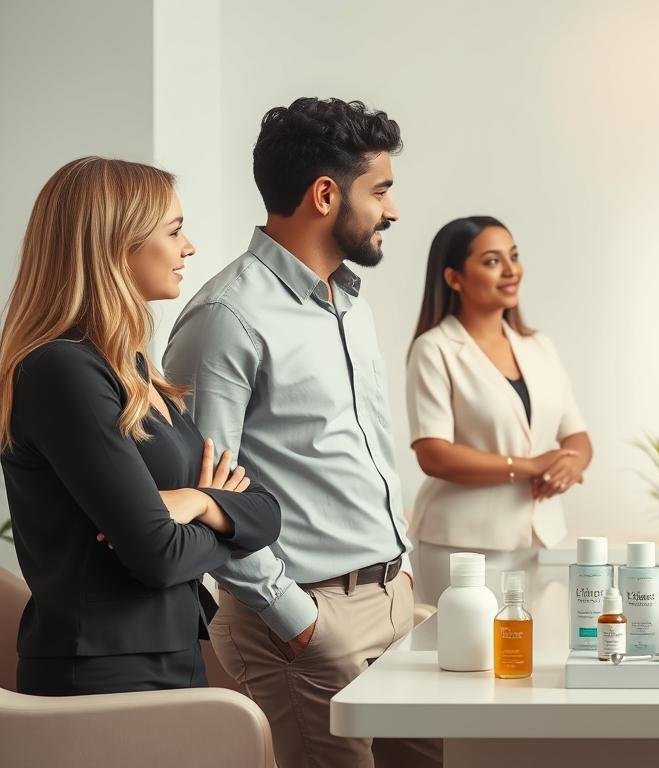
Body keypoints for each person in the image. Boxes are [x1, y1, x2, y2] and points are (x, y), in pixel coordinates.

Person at [164, 98, 437, 767]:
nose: (393, 210)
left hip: (394, 601)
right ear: (324, 195)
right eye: (381, 191)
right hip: (310, 622)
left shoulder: (347, 302)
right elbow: (205, 493)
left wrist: (397, 577)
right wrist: (296, 620)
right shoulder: (228, 317)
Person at [0, 157, 280, 696]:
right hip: (104, 675)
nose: (189, 248)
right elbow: (157, 555)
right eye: (174, 231)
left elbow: (266, 512)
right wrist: (215, 508)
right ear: (114, 245)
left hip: (168, 655)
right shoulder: (63, 371)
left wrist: (194, 504)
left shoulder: (130, 368)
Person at [406, 216, 591, 602]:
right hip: (461, 548)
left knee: (529, 660)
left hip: (539, 541)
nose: (511, 271)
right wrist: (531, 467)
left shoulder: (538, 346)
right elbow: (433, 454)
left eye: (514, 256)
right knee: (463, 660)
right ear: (454, 278)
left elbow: (576, 434)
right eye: (492, 261)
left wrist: (571, 465)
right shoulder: (435, 349)